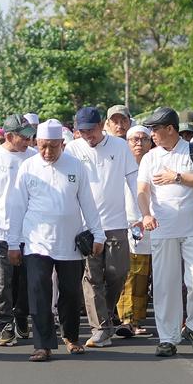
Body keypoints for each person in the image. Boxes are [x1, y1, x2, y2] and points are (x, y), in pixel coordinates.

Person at [7, 119, 104, 362]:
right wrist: (12, 243)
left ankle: (71, 336)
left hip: (69, 242)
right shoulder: (28, 167)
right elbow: (16, 207)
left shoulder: (76, 166)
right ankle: (42, 345)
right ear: (35, 143)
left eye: (53, 146)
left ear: (62, 143)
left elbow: (88, 203)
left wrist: (98, 234)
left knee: (70, 292)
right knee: (39, 291)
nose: (48, 152)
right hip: (36, 241)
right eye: (43, 146)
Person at [136, 107, 193, 357]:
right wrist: (146, 213)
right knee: (165, 285)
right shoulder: (150, 157)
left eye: (155, 129)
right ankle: (168, 338)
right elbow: (142, 190)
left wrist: (178, 177)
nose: (152, 135)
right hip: (163, 228)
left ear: (170, 129)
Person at [67, 106, 135, 348]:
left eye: (91, 130)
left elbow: (133, 181)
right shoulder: (73, 149)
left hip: (116, 223)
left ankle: (104, 316)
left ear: (101, 126)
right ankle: (101, 328)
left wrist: (138, 214)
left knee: (118, 272)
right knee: (92, 277)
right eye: (82, 131)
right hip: (85, 225)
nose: (88, 136)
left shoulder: (119, 146)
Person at [0, 115, 36, 346]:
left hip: (31, 231)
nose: (28, 141)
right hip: (2, 230)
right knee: (3, 282)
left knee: (26, 281)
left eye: (30, 136)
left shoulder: (34, 157)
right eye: (24, 137)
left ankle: (21, 316)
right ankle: (5, 326)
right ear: (9, 136)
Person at [117, 124, 153, 337]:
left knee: (144, 276)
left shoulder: (155, 163)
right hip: (127, 225)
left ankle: (138, 319)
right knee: (129, 275)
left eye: (143, 139)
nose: (139, 143)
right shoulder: (120, 166)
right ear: (127, 143)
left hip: (153, 225)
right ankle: (127, 319)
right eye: (134, 139)